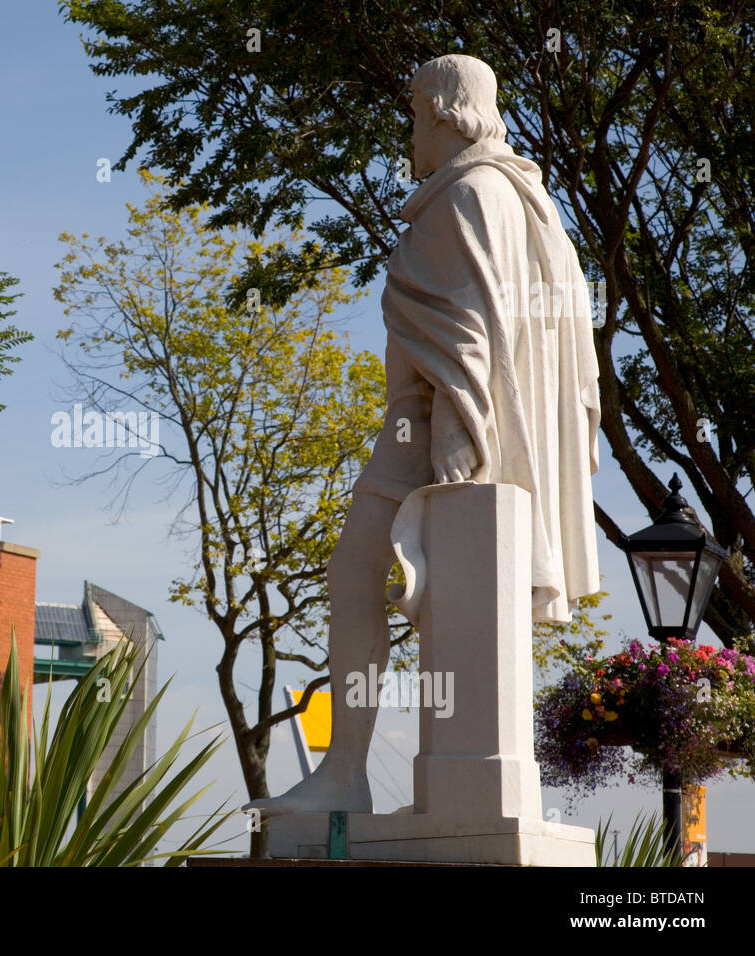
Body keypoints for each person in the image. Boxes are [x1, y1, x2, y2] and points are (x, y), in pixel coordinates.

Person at [249, 54, 600, 818]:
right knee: (396, 581)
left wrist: (462, 429)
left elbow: (471, 330)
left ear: (446, 113)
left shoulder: (473, 195)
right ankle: (374, 779)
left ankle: (362, 778)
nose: (410, 131)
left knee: (362, 576)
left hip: (430, 427)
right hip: (426, 419)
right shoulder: (513, 196)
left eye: (415, 113)